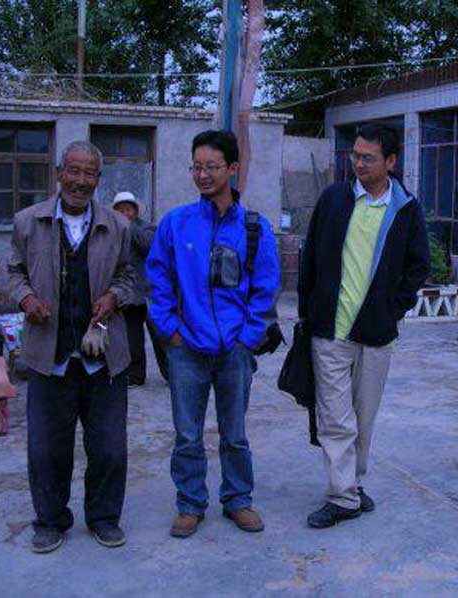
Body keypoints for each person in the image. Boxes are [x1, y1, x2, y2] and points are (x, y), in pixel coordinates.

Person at [147, 130, 280, 538]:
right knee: (187, 434)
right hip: (186, 348)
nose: (203, 175)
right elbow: (158, 281)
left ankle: (238, 499)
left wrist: (247, 337)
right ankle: (190, 504)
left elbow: (265, 287)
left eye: (212, 167)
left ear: (233, 169)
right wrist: (171, 332)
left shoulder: (255, 228)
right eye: (197, 167)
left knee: (235, 434)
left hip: (235, 351)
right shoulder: (176, 224)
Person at [299, 123, 430, 529]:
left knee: (363, 416)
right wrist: (309, 310)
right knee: (335, 418)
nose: (358, 163)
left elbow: (418, 267)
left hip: (376, 333)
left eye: (367, 157)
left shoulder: (405, 208)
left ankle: (351, 483)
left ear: (390, 161)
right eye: (354, 155)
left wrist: (392, 310)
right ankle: (343, 497)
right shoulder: (334, 199)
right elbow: (311, 258)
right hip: (330, 331)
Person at [8, 140, 134, 553]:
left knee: (110, 448)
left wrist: (114, 297)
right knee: (46, 450)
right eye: (74, 171)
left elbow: (128, 277)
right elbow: (14, 273)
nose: (81, 181)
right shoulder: (28, 222)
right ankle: (50, 520)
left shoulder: (117, 225)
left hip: (104, 361)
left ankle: (103, 517)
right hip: (51, 357)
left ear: (99, 179)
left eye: (90, 174)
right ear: (59, 173)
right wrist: (27, 299)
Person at [112, 191, 168, 385]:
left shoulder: (148, 228)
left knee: (161, 336)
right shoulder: (113, 232)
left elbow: (149, 245)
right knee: (132, 339)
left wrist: (129, 227)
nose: (124, 214)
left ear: (135, 211)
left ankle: (172, 374)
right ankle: (135, 375)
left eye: (128, 210)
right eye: (120, 211)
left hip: (151, 293)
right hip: (130, 294)